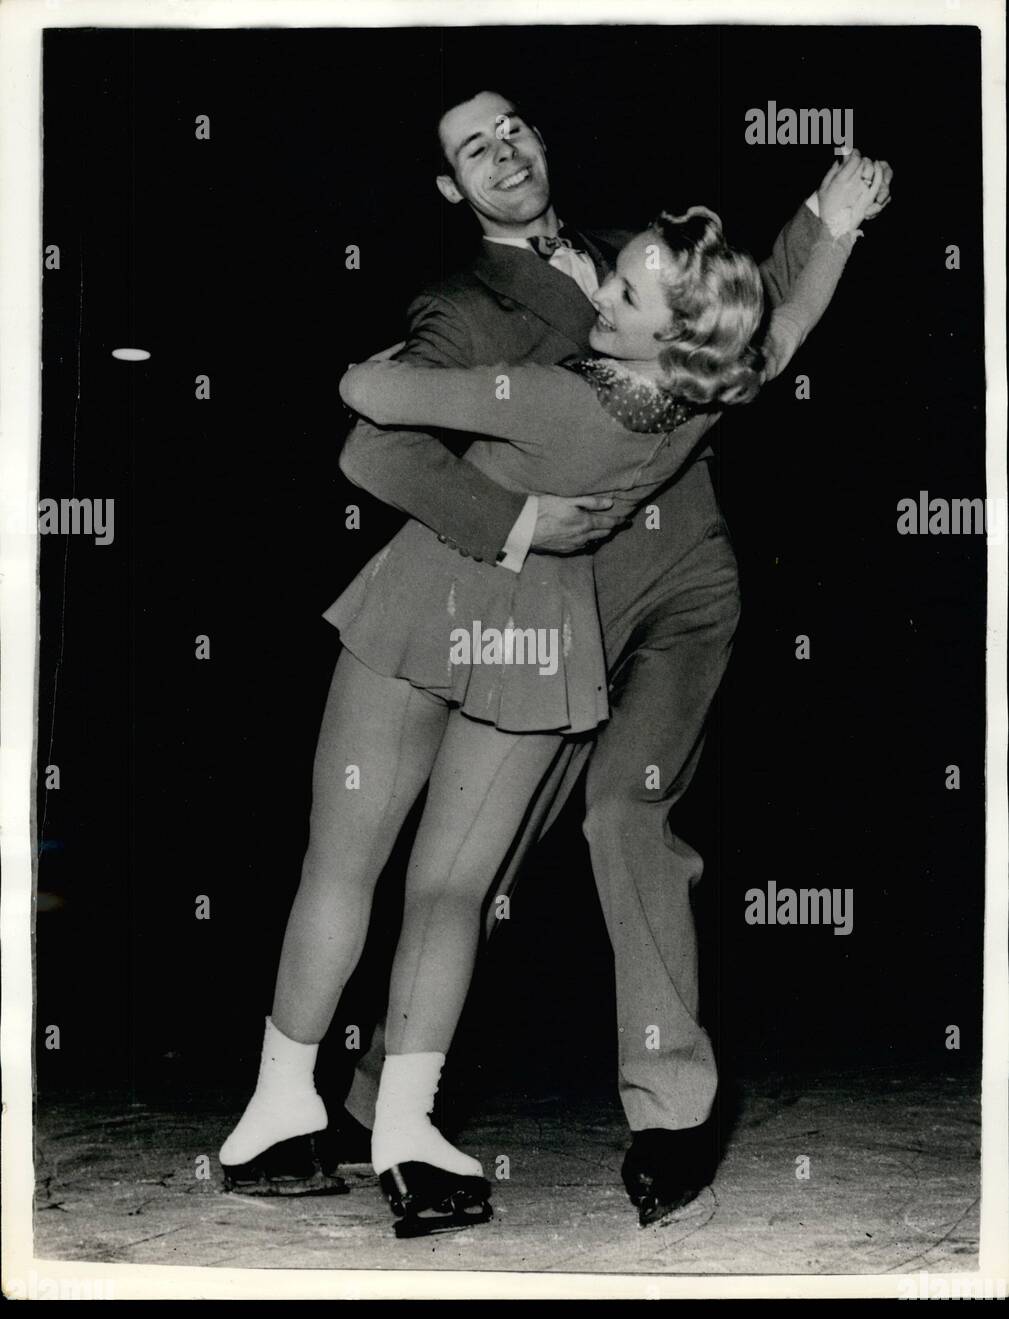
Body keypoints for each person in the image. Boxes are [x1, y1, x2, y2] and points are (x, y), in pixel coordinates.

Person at [218, 155, 884, 1237]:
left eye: (618, 293)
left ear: (656, 334)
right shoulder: (703, 393)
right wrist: (833, 220)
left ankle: (275, 1109)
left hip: (423, 601)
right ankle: (406, 1130)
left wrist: (380, 367)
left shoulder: (546, 394)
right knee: (452, 885)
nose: (598, 296)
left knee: (344, 861)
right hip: (539, 632)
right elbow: (787, 316)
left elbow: (366, 397)